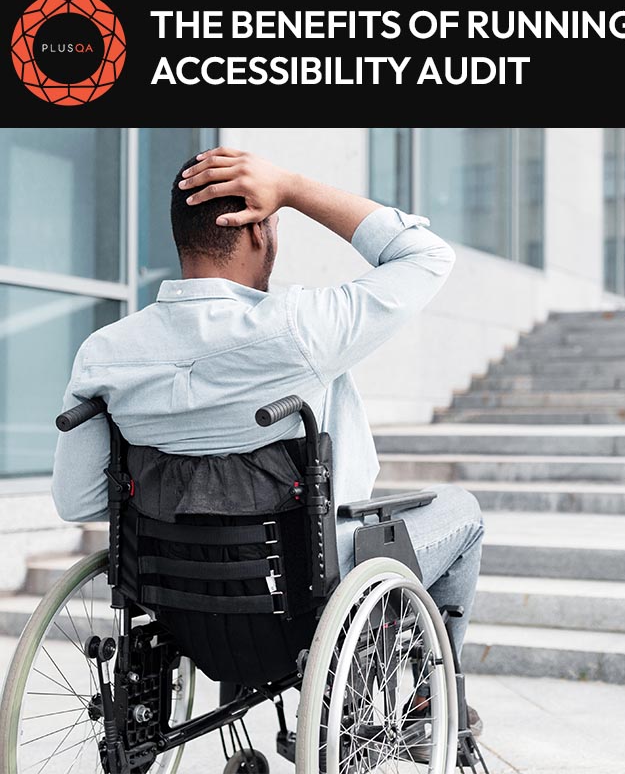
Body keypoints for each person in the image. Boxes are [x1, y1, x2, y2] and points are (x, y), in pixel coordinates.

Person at [51, 146, 484, 736]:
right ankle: (432, 705)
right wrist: (296, 187)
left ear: (182, 236)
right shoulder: (300, 328)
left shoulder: (104, 354)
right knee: (463, 511)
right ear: (259, 228)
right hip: (307, 593)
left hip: (177, 599)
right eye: (274, 216)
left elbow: (79, 502)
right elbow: (425, 254)